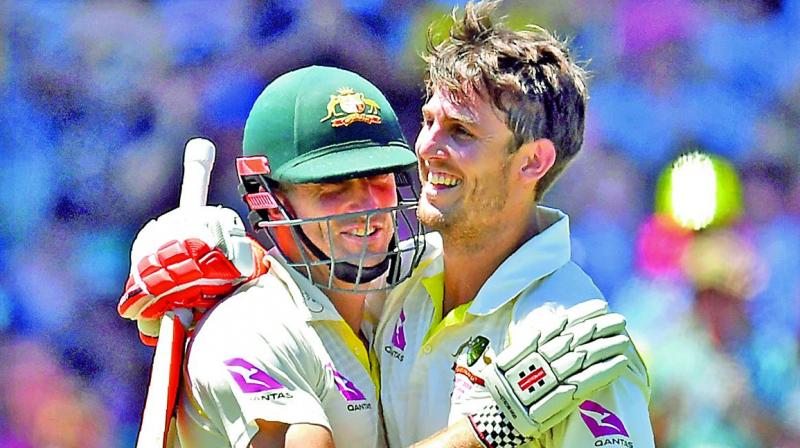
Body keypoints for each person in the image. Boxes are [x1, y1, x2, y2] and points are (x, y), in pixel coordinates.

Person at [119, 64, 631, 447]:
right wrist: (486, 429)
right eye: (332, 187)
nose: (368, 208)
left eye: (379, 179)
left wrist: (222, 249)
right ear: (269, 200)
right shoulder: (251, 329)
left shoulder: (388, 298)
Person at [373, 1, 653, 447]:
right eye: (428, 122)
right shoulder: (395, 280)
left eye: (461, 132)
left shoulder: (573, 339)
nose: (427, 147)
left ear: (533, 161)